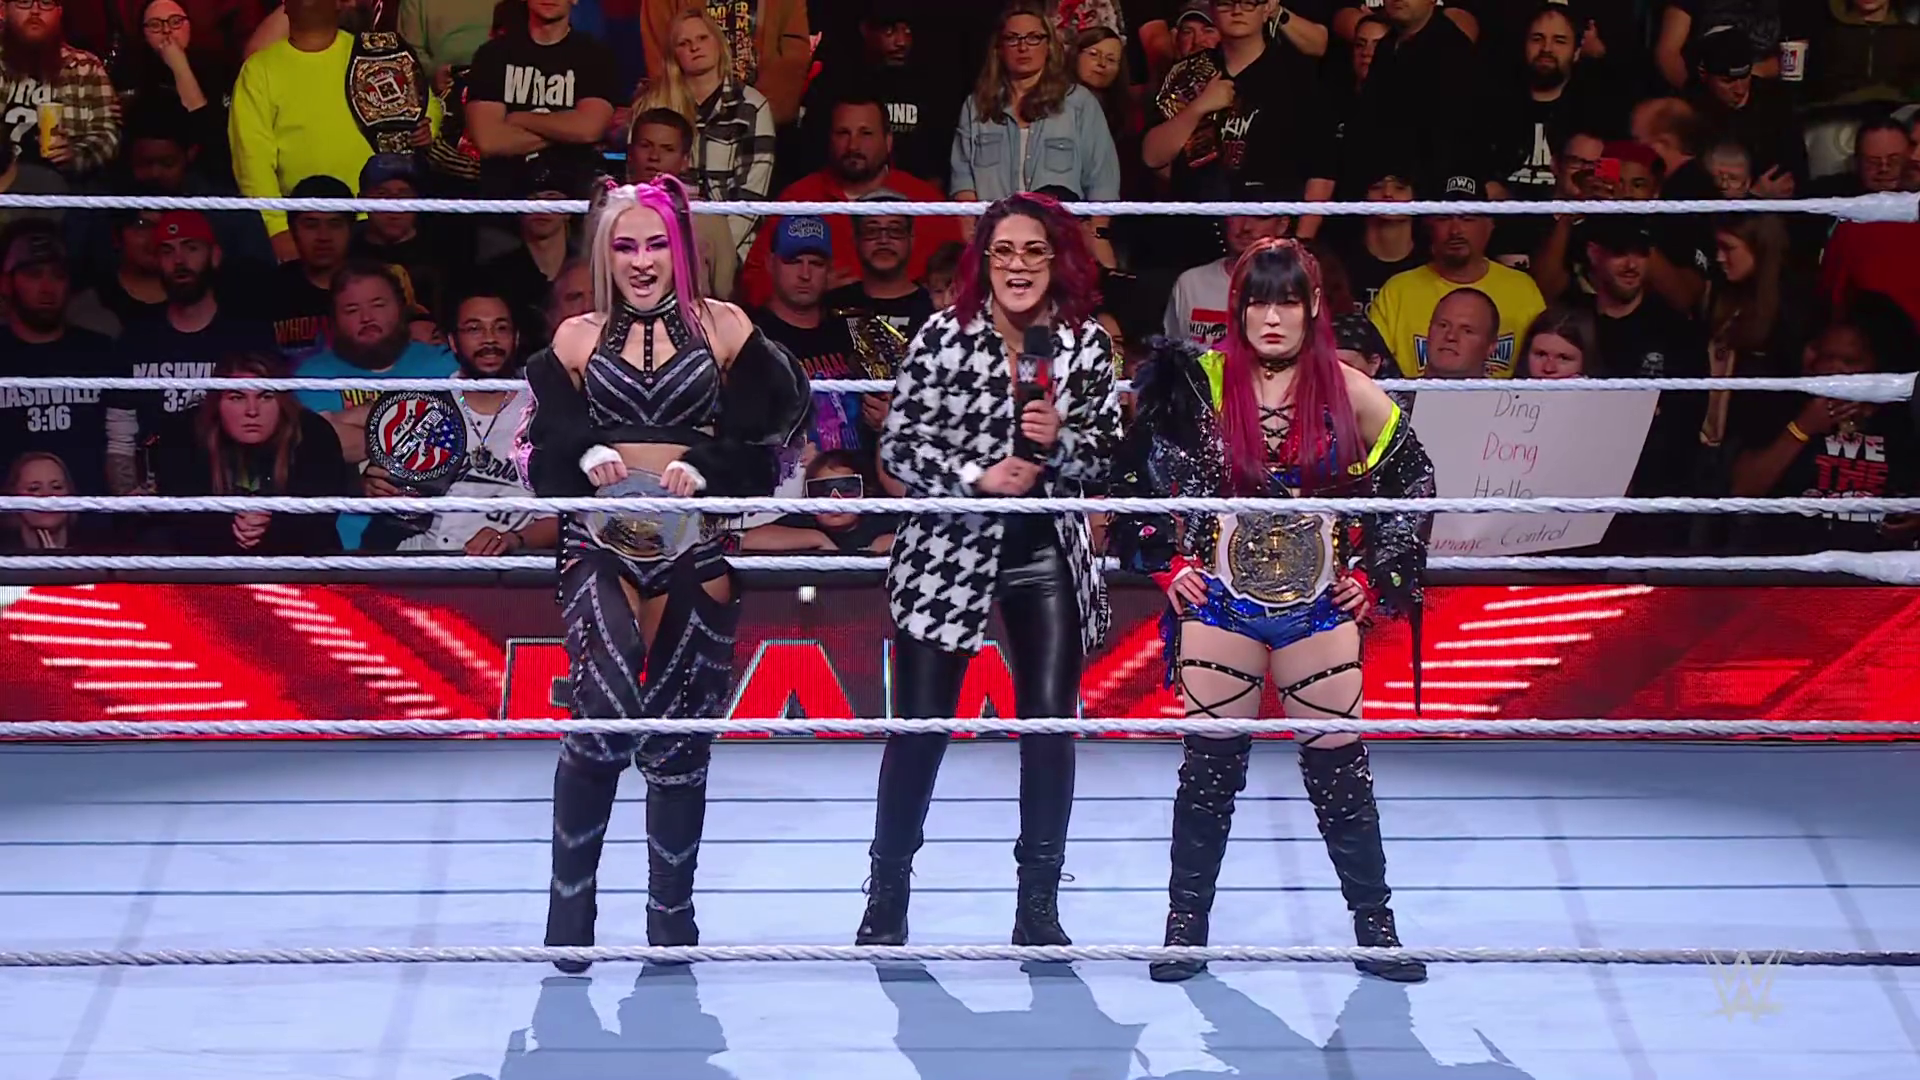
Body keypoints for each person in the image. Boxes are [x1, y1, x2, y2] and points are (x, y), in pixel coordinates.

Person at [1110, 238, 1435, 985]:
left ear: (1313, 306)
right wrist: (1167, 564)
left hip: (1317, 606)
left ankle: (1376, 928)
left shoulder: (1350, 390)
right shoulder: (1198, 385)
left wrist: (1375, 577)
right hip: (1220, 602)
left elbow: (1415, 483)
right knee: (1208, 772)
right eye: (1258, 300)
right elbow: (1133, 477)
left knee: (1340, 771)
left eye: (1287, 300)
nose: (1273, 316)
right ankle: (1184, 928)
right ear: (1238, 308)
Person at [516, 175, 810, 972]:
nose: (641, 260)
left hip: (694, 540)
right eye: (624, 245)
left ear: (679, 248)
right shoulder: (576, 338)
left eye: (654, 244)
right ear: (603, 253)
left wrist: (709, 463)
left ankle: (670, 915)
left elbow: (777, 429)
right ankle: (570, 907)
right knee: (603, 710)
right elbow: (542, 451)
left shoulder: (725, 326)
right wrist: (584, 451)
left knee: (681, 740)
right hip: (602, 540)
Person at [856, 191, 1122, 948]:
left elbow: (1109, 453)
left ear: (1056, 259)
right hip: (949, 547)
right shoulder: (943, 336)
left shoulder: (1083, 345)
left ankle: (1038, 904)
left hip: (1044, 548)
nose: (1018, 266)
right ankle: (887, 892)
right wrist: (976, 477)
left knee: (1050, 726)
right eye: (1003, 251)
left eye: (1033, 251)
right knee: (920, 729)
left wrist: (1061, 440)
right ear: (984, 260)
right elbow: (899, 450)